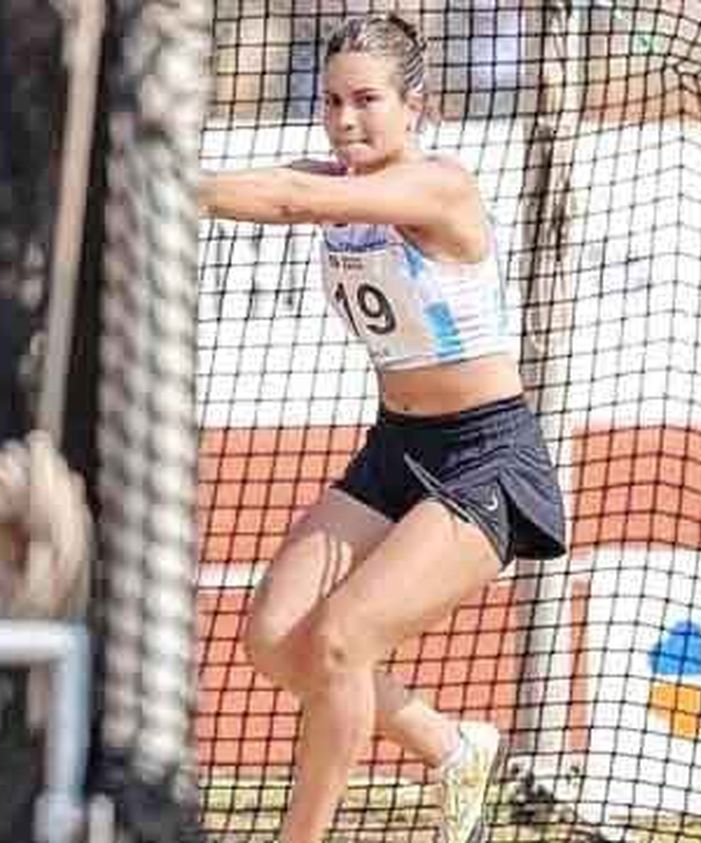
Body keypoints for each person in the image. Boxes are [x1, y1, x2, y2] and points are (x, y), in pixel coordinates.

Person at [199, 11, 568, 843]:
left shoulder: (438, 187)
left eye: (366, 100)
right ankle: (450, 742)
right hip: (398, 447)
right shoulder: (334, 178)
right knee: (273, 638)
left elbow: (294, 198)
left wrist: (154, 173)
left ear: (416, 107)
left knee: (339, 639)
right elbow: (265, 187)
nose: (345, 119)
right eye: (331, 101)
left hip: (487, 455)